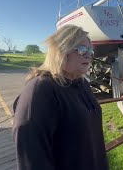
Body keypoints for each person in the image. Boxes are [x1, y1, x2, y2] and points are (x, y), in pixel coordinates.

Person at [12, 25, 108, 170]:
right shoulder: (41, 89)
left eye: (90, 50)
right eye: (82, 50)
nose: (89, 55)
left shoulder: (81, 83)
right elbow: (31, 158)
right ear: (61, 52)